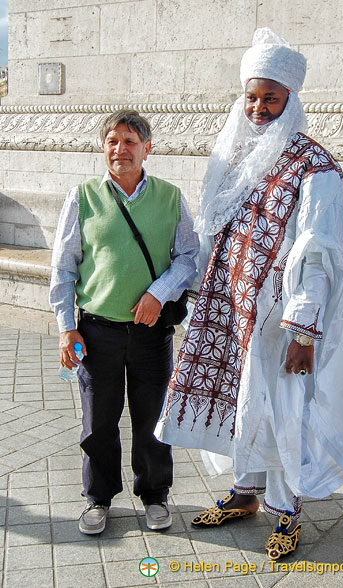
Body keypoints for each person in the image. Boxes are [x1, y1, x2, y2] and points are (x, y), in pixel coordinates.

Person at [158, 29, 343, 559]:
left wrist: (304, 331)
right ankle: (244, 494)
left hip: (278, 320)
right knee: (241, 402)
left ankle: (286, 509)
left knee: (281, 407)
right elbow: (211, 231)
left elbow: (319, 253)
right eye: (251, 96)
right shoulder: (233, 155)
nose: (259, 107)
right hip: (227, 310)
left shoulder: (315, 167)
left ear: (290, 98)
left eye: (270, 97)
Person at [49, 109, 199, 535]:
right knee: (98, 421)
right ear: (103, 147)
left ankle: (154, 495)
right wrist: (66, 325)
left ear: (147, 149)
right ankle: (98, 499)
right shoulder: (82, 197)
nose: (120, 149)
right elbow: (63, 268)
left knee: (152, 417)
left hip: (152, 334)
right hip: (97, 331)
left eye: (130, 141)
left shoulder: (170, 197)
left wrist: (158, 292)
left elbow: (189, 257)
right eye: (112, 141)